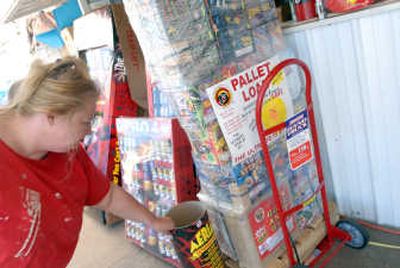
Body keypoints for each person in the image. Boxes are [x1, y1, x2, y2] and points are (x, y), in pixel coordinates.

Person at [0, 57, 174, 267]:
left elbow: (107, 196)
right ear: (52, 115)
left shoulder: (68, 153)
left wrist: (152, 221)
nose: (89, 131)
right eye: (86, 121)